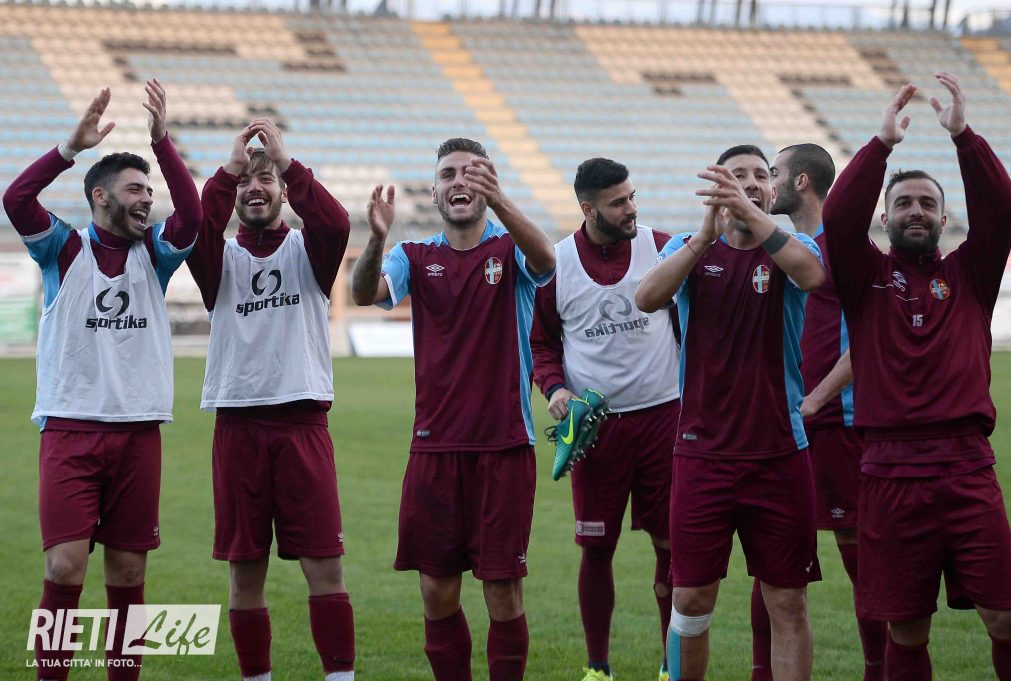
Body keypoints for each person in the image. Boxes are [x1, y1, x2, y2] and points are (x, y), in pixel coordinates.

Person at [823, 72, 1011, 680]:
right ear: (884, 219)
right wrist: (881, 146)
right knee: (906, 627)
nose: (916, 211)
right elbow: (838, 216)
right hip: (888, 470)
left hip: (966, 467)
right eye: (904, 204)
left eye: (927, 204)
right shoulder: (863, 276)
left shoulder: (971, 274)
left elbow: (1002, 207)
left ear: (944, 218)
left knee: (1008, 619)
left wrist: (965, 139)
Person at [2, 81, 200, 681]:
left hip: (138, 433)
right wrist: (69, 148)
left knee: (129, 575)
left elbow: (193, 215)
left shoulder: (155, 254)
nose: (147, 200)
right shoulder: (63, 250)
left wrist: (162, 144)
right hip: (70, 431)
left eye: (150, 191)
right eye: (135, 190)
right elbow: (16, 198)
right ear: (100, 196)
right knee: (64, 568)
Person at [350, 137, 555, 681]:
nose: (459, 181)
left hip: (503, 446)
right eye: (448, 174)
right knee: (436, 590)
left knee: (502, 592)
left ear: (488, 185)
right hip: (434, 447)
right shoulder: (414, 255)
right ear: (435, 189)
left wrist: (503, 200)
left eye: (472, 172)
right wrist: (376, 238)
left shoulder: (510, 249)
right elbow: (365, 293)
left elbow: (547, 260)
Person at [635, 145, 826, 681]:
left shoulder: (795, 247)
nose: (750, 183)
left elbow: (812, 277)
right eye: (736, 176)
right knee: (690, 601)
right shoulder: (688, 247)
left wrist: (753, 219)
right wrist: (703, 238)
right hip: (703, 456)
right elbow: (646, 299)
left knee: (787, 602)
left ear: (772, 190)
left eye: (761, 176)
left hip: (779, 454)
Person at [185, 120, 355, 681]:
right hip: (238, 426)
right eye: (244, 183)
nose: (254, 189)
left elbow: (335, 221)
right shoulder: (218, 259)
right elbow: (196, 226)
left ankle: (340, 677)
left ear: (283, 190)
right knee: (244, 573)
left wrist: (285, 161)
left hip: (303, 423)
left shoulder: (311, 250)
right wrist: (228, 169)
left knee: (324, 568)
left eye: (266, 180)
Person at [530, 157, 679, 681]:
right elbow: (541, 345)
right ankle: (598, 667)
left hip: (665, 420)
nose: (631, 208)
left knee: (671, 548)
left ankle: (671, 665)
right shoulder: (557, 264)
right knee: (596, 550)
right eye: (619, 202)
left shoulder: (663, 248)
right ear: (588, 209)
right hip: (596, 431)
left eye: (632, 196)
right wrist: (555, 389)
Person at [743, 144, 886, 681]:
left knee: (859, 556)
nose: (767, 182)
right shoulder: (779, 248)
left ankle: (877, 670)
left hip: (835, 425)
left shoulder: (844, 249)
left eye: (773, 173)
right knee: (771, 564)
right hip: (782, 428)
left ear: (801, 182)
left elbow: (869, 338)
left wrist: (816, 399)